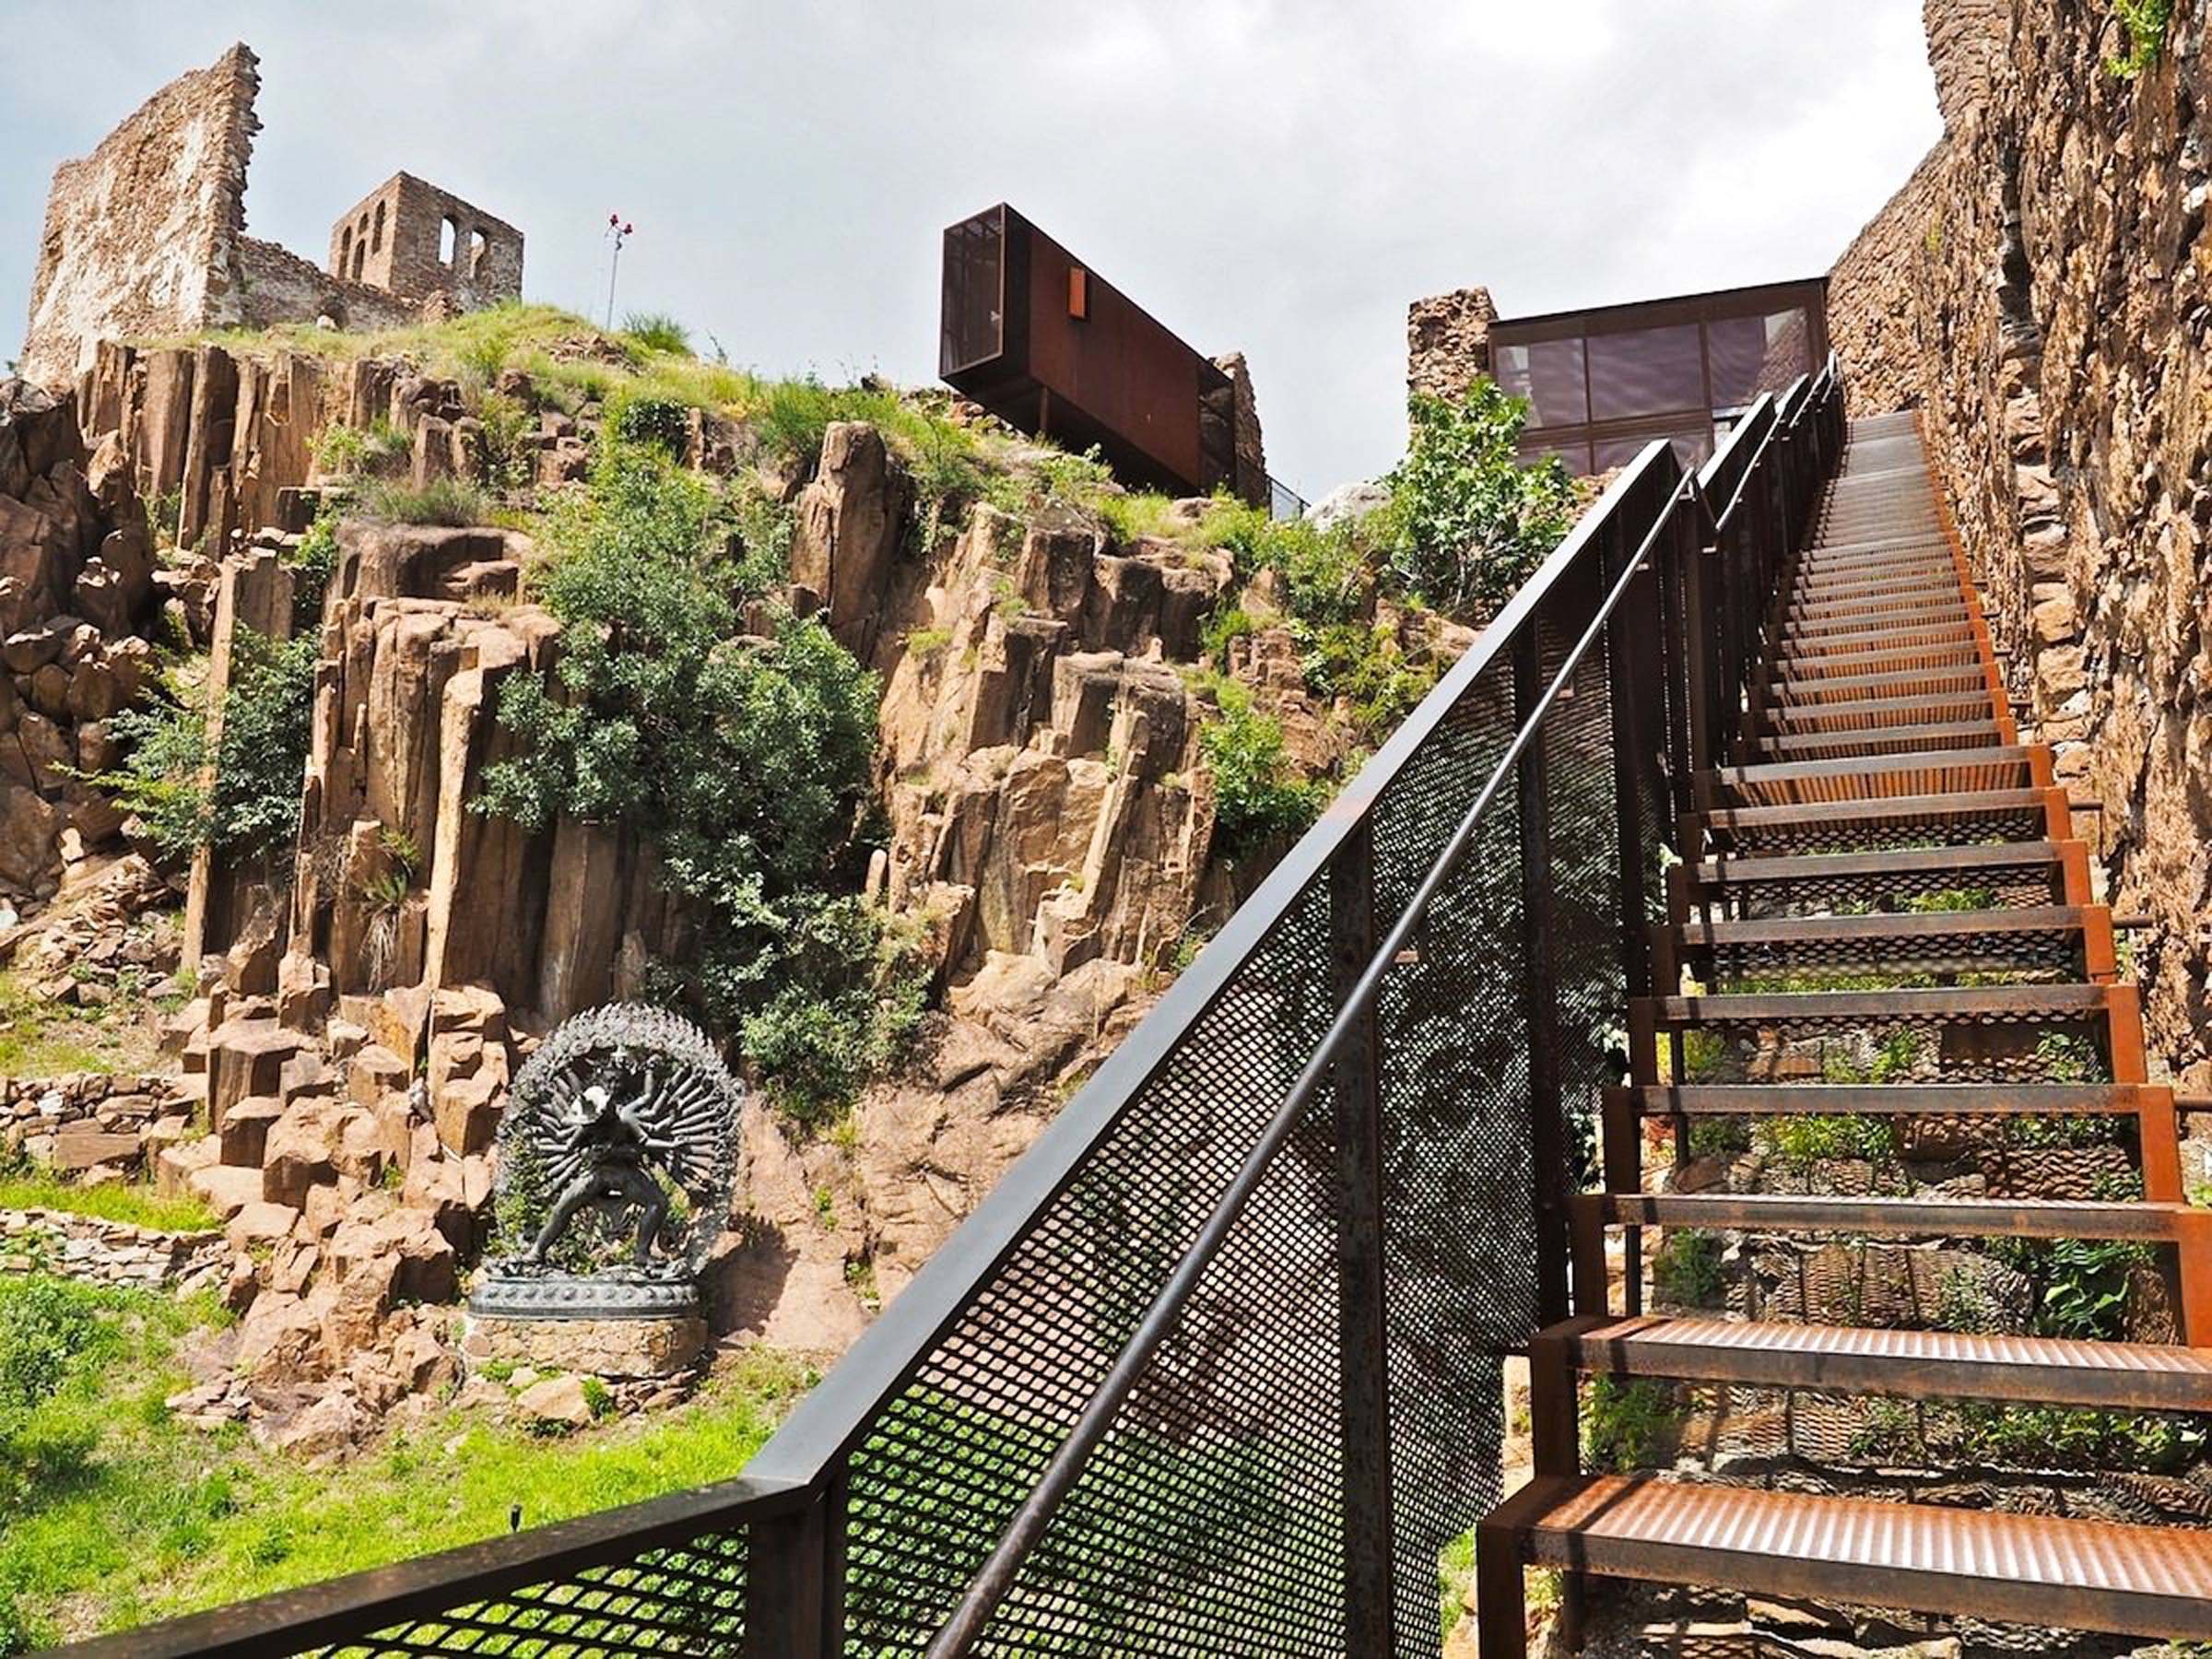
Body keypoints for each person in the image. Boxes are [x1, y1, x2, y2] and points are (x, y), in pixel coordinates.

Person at [524, 1062, 677, 1268]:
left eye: (617, 1080)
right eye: (609, 1080)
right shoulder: (590, 1123)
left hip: (626, 1173)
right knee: (562, 1207)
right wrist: (590, 1153)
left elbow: (644, 1146)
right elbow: (570, 1146)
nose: (614, 1085)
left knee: (658, 1203)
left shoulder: (626, 1118)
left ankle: (642, 1252)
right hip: (596, 1174)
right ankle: (537, 1250)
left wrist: (619, 1151)